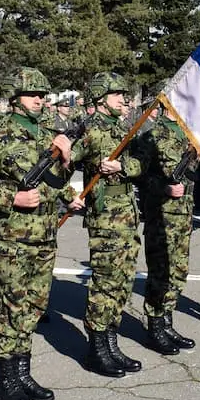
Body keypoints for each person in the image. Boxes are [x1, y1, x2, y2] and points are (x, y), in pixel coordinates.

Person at [0, 67, 83, 400]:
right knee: (10, 307)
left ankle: (24, 370)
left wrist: (67, 164)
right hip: (14, 238)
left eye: (44, 95)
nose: (40, 100)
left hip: (46, 236)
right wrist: (10, 198)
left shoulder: (48, 132)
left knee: (34, 307)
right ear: (16, 97)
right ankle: (7, 377)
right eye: (34, 95)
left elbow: (54, 181)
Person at [70, 72, 146, 378]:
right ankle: (96, 348)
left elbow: (141, 163)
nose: (123, 100)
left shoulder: (123, 128)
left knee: (123, 280)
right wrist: (68, 195)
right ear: (101, 99)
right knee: (104, 283)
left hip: (127, 213)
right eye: (117, 95)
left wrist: (122, 166)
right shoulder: (89, 130)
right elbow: (64, 162)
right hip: (104, 217)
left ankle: (111, 343)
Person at [138, 108, 199, 355]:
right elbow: (140, 176)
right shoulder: (152, 135)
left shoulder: (189, 135)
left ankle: (167, 322)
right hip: (161, 215)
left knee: (179, 271)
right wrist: (164, 187)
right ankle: (154, 327)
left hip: (183, 214)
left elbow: (193, 174)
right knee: (160, 271)